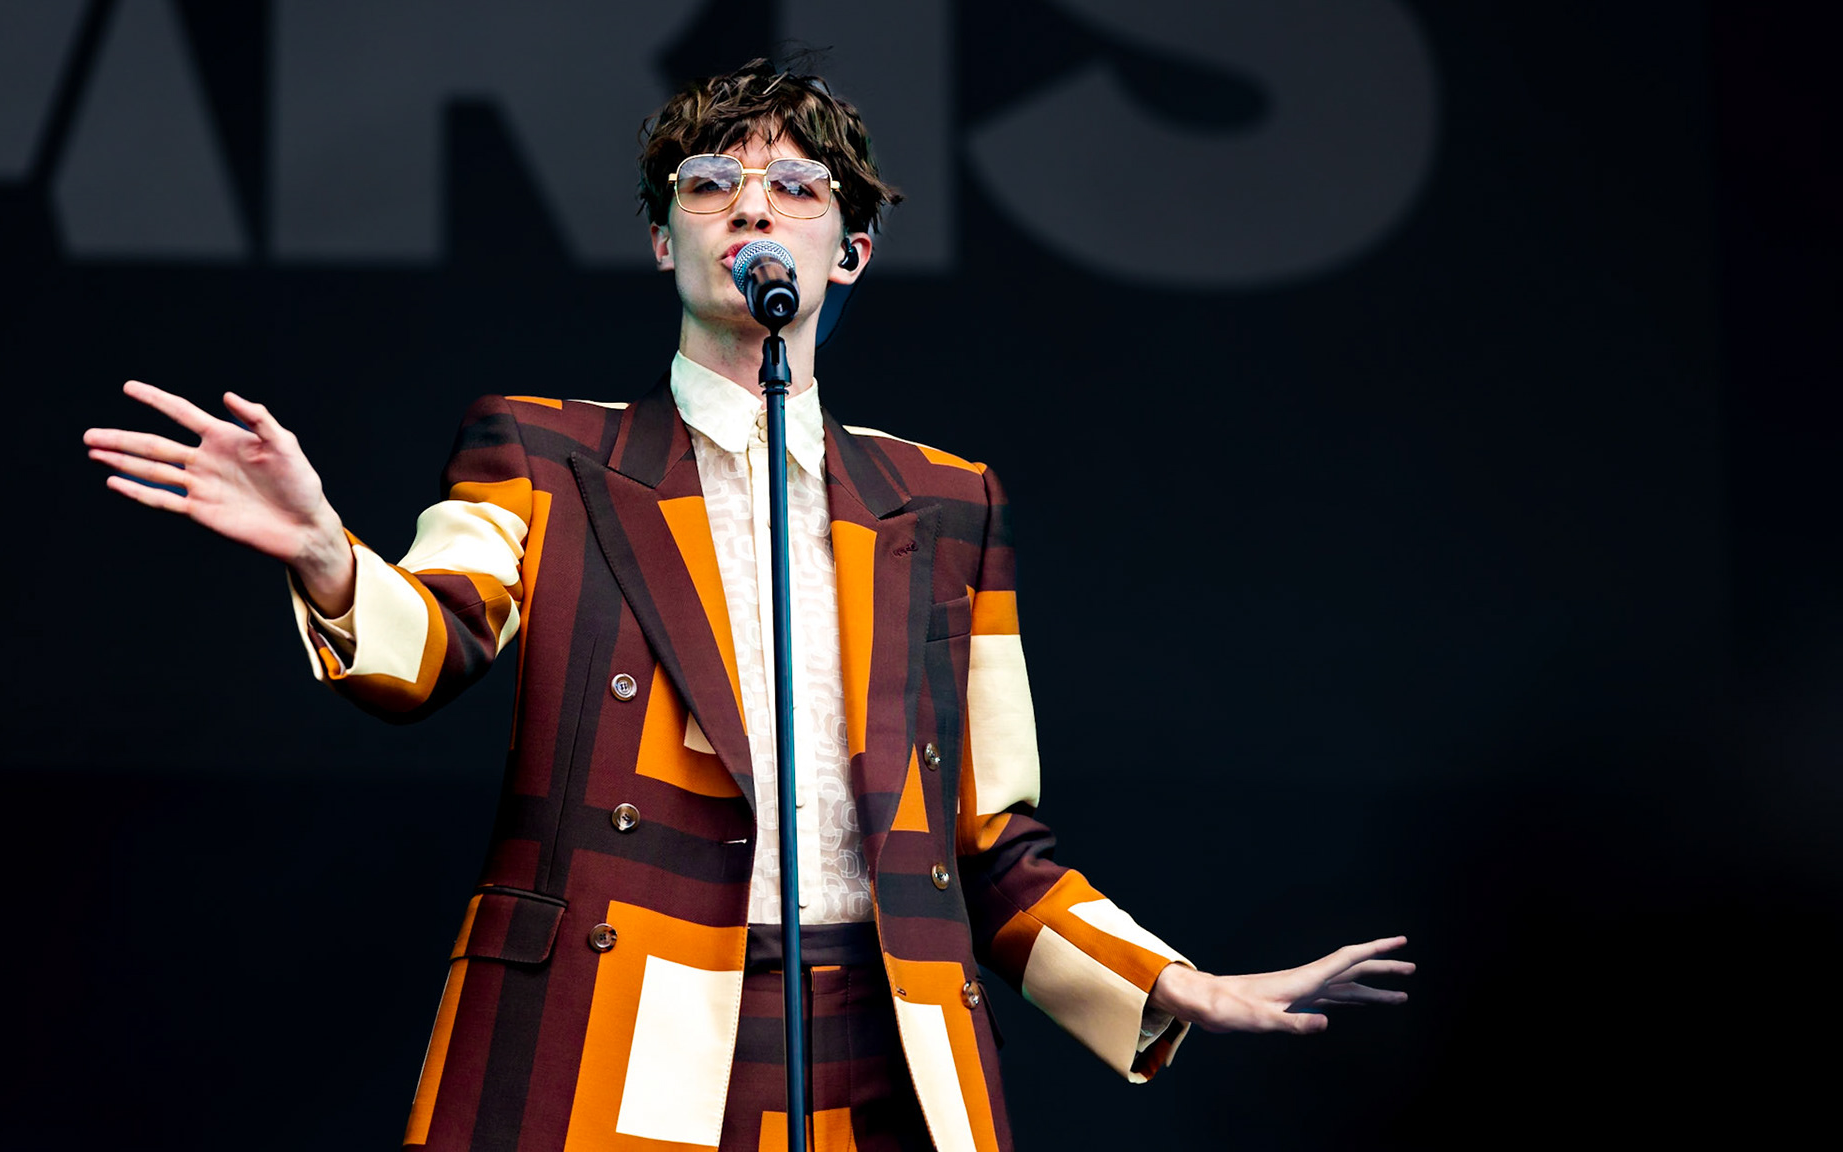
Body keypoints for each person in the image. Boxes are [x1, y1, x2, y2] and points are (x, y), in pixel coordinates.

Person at [83, 58, 1412, 1151]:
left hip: (881, 1042)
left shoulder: (947, 506)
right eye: (711, 187)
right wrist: (326, 552)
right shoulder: (547, 455)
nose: (752, 211)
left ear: (852, 252)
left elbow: (991, 842)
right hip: (622, 1026)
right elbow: (434, 640)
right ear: (664, 241)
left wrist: (1172, 981)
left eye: (793, 187)